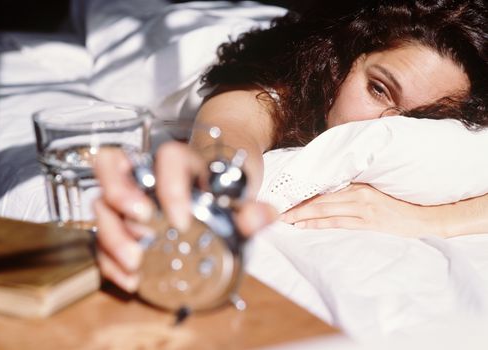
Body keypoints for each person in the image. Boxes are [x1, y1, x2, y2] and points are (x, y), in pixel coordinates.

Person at [93, 0, 488, 292]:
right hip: (176, 27)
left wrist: (433, 221)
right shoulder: (275, 89)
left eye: (417, 119)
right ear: (350, 57)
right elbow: (229, 136)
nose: (378, 126)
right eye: (378, 88)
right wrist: (206, 188)